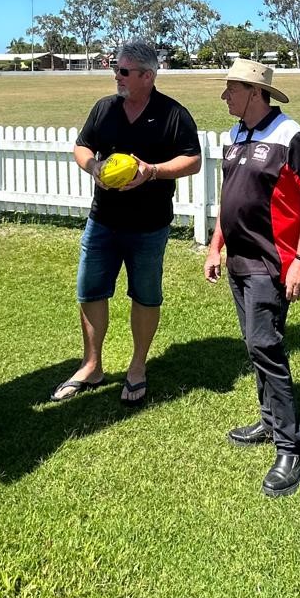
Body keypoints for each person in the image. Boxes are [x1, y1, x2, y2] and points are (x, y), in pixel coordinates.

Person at [51, 40, 201, 407]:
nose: (115, 76)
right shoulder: (105, 109)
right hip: (102, 221)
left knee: (145, 296)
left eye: (123, 71)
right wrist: (93, 167)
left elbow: (193, 160)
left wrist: (152, 172)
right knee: (90, 291)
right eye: (115, 68)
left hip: (149, 226)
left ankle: (137, 367)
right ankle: (92, 365)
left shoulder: (173, 114)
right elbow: (82, 146)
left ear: (148, 76)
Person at [203, 58, 300, 498]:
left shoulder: (289, 135)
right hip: (237, 259)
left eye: (230, 89)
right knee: (255, 345)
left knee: (265, 345)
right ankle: (269, 419)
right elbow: (230, 197)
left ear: (254, 92)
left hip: (272, 262)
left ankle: (291, 446)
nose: (224, 96)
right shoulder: (235, 134)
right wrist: (216, 245)